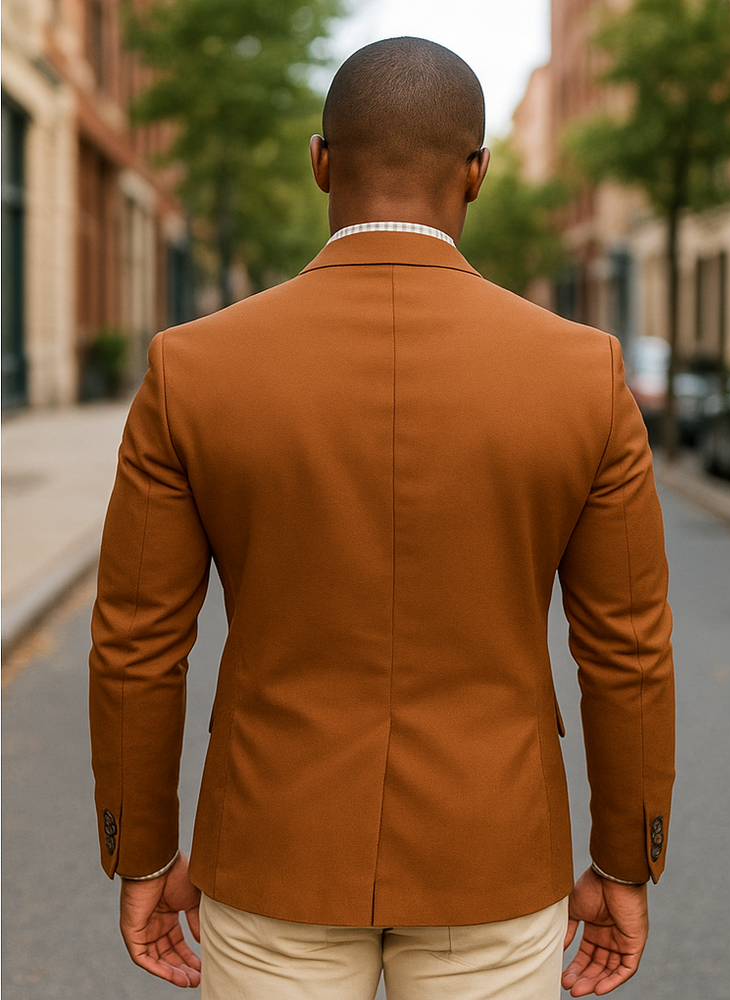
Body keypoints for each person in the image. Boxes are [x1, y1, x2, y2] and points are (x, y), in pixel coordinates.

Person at [89, 36, 675, 1000]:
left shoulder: (192, 368)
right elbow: (627, 650)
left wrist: (139, 851)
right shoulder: (583, 371)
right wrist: (624, 861)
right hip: (493, 857)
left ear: (320, 162)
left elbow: (136, 645)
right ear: (477, 174)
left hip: (273, 852)